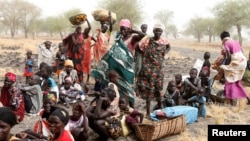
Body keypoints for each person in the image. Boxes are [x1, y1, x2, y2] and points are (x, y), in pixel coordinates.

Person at [91, 19, 144, 108]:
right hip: (117, 68)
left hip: (127, 67)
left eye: (124, 29)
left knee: (128, 88)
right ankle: (119, 106)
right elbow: (113, 51)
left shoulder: (133, 37)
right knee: (117, 86)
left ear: (129, 29)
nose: (122, 31)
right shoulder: (118, 37)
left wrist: (133, 30)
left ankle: (132, 108)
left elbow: (143, 35)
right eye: (121, 29)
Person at [136, 23, 170, 116]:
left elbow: (168, 47)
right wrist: (143, 57)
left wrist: (164, 54)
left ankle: (159, 112)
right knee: (148, 90)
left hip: (159, 70)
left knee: (159, 89)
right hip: (148, 70)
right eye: (156, 30)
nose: (158, 32)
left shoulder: (164, 41)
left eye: (160, 31)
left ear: (162, 32)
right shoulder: (147, 40)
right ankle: (147, 113)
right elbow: (138, 47)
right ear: (153, 31)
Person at [219, 31, 248, 106]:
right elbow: (242, 52)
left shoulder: (226, 43)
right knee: (237, 82)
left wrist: (226, 66)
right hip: (243, 62)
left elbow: (228, 57)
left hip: (236, 62)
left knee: (229, 80)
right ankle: (247, 98)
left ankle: (231, 101)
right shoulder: (236, 41)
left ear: (222, 38)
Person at [81, 19, 96, 84]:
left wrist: (87, 20)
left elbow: (96, 42)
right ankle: (81, 79)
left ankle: (87, 80)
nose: (87, 31)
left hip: (88, 53)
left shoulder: (90, 37)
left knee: (88, 66)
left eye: (88, 30)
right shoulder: (81, 36)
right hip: (82, 53)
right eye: (86, 30)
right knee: (81, 65)